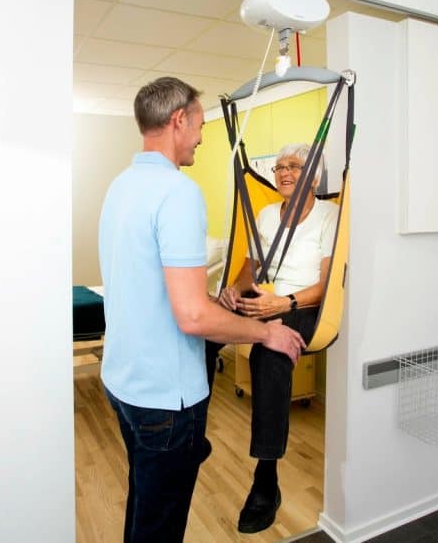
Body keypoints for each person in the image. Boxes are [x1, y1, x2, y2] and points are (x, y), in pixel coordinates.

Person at [99, 77, 306, 543]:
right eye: (198, 123)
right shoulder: (178, 192)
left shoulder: (121, 186)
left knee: (143, 506)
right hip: (165, 400)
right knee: (160, 528)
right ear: (178, 120)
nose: (201, 134)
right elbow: (191, 318)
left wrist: (218, 302)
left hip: (123, 383)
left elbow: (150, 285)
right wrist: (266, 334)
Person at [212, 142, 339, 534]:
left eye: (296, 167)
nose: (285, 172)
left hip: (303, 305)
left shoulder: (330, 216)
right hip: (264, 296)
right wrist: (235, 291)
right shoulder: (266, 214)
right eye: (281, 166)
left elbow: (327, 283)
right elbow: (251, 270)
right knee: (204, 330)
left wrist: (283, 304)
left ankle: (266, 481)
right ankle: (190, 432)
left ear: (314, 177)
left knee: (267, 358)